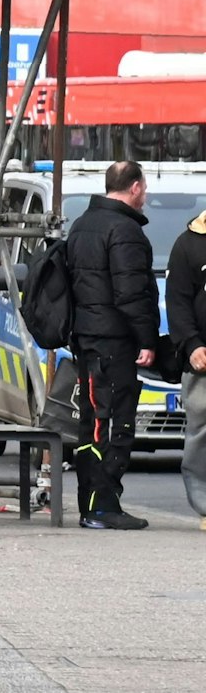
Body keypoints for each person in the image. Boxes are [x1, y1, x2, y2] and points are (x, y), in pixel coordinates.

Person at [63, 160, 161, 530]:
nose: (145, 195)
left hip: (87, 340)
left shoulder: (82, 224)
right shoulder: (125, 230)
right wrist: (147, 339)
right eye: (144, 188)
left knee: (92, 422)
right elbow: (131, 293)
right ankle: (103, 506)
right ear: (135, 187)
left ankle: (90, 504)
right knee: (115, 423)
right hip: (114, 342)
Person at [161, 202, 206, 527]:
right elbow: (177, 301)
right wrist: (192, 345)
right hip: (202, 360)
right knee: (201, 433)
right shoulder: (189, 244)